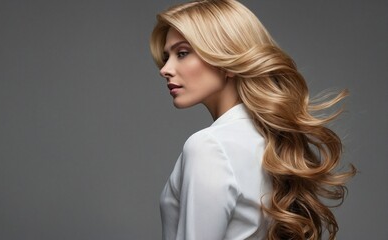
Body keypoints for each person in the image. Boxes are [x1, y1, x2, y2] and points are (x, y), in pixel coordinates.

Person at [149, 0, 356, 239]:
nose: (165, 69)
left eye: (182, 53)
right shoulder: (270, 142)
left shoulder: (208, 146)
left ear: (229, 61)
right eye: (166, 56)